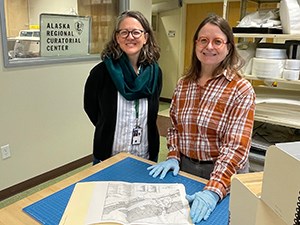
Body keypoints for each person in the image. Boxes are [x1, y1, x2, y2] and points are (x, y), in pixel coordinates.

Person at [147, 14, 256, 223]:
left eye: (217, 41)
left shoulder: (241, 89)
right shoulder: (184, 84)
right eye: (203, 40)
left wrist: (213, 191)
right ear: (196, 44)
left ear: (229, 47)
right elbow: (175, 127)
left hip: (224, 172)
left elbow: (236, 148)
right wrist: (172, 155)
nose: (209, 47)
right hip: (186, 168)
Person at [84, 10, 162, 165]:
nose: (130, 37)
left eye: (136, 32)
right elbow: (91, 108)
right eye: (124, 32)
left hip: (145, 154)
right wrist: (107, 126)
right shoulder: (101, 72)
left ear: (145, 37)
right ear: (117, 37)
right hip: (108, 155)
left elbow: (153, 112)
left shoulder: (155, 73)